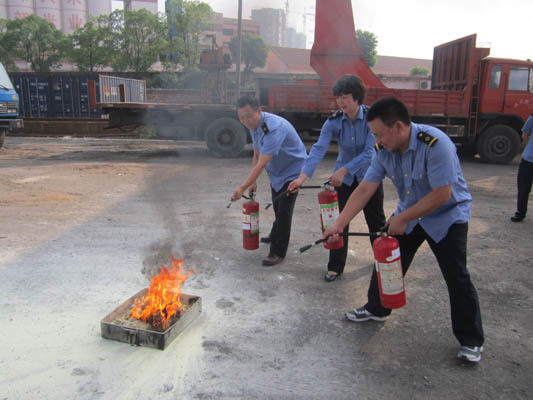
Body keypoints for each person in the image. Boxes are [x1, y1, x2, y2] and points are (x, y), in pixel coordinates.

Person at [323, 97, 484, 363]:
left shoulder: (436, 144)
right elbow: (365, 187)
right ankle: (377, 308)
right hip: (410, 212)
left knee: (456, 275)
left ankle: (471, 340)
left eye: (379, 134)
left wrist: (402, 218)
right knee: (388, 260)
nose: (377, 139)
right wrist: (339, 223)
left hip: (447, 216)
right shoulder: (383, 150)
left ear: (398, 127)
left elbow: (443, 194)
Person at [288, 75, 386, 282]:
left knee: (376, 221)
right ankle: (335, 266)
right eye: (338, 98)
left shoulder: (371, 118)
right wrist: (302, 177)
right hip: (345, 182)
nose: (340, 102)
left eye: (345, 97)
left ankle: (383, 260)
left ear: (357, 97)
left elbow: (371, 151)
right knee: (338, 222)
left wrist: (344, 170)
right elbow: (318, 149)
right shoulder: (333, 121)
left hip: (370, 177)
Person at [231, 95, 307, 266]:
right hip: (278, 171)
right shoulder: (254, 125)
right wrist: (252, 182)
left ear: (259, 111)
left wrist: (242, 187)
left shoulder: (273, 128)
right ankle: (275, 234)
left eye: (249, 116)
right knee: (277, 204)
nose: (245, 121)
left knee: (284, 211)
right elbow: (257, 153)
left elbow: (262, 163)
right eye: (241, 118)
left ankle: (278, 252)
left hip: (293, 170)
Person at [511, 115, 533, 222]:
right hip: (528, 159)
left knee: (524, 189)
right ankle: (520, 213)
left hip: (529, 158)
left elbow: (525, 135)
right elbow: (525, 134)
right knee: (523, 188)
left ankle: (520, 214)